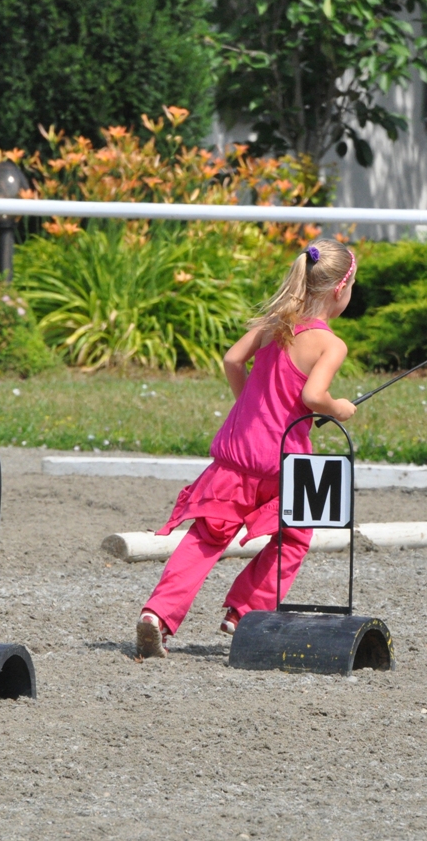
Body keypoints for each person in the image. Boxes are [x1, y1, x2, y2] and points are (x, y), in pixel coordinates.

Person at [136, 239, 358, 658]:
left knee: (206, 537)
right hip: (285, 465)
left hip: (237, 456)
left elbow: (231, 360)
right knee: (294, 537)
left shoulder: (274, 323)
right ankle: (244, 613)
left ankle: (157, 615)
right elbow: (313, 396)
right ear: (338, 290)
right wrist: (339, 408)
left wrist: (247, 406)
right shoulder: (331, 344)